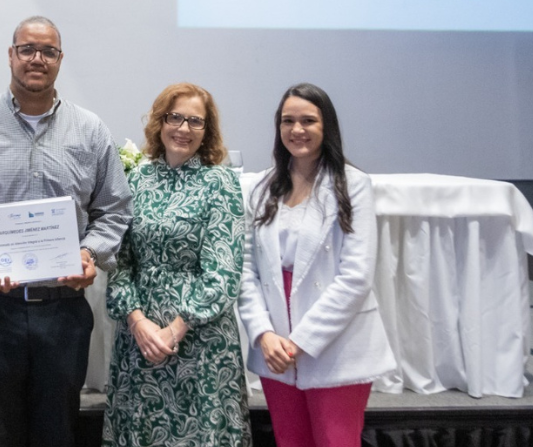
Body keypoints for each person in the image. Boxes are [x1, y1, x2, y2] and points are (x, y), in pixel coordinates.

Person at [0, 15, 133, 447]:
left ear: (60, 60)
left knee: (58, 430)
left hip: (63, 310)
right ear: (11, 56)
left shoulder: (90, 130)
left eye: (48, 51)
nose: (37, 59)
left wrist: (90, 254)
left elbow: (114, 208)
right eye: (27, 49)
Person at [237, 83, 396, 447]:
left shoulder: (353, 185)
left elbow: (356, 277)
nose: (297, 130)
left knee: (335, 441)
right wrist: (263, 334)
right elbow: (246, 271)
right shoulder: (261, 187)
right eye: (288, 121)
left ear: (327, 127)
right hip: (275, 345)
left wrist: (301, 342)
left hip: (334, 346)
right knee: (290, 441)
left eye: (308, 120)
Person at [103, 83, 251, 447]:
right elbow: (120, 263)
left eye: (195, 122)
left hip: (198, 343)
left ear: (207, 131)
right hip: (139, 342)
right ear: (160, 122)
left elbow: (223, 271)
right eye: (175, 118)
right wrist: (138, 323)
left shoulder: (221, 183)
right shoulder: (136, 180)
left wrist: (174, 330)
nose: (183, 129)